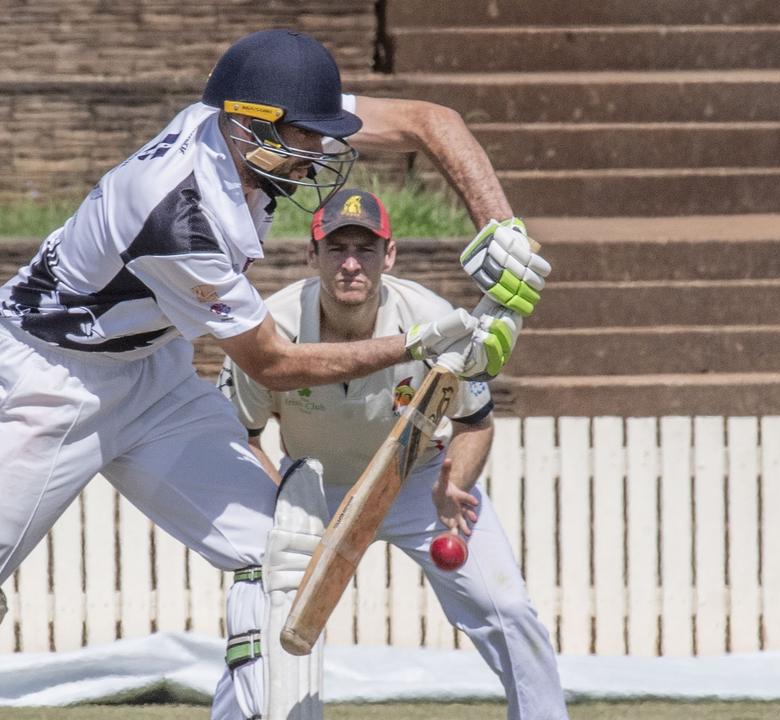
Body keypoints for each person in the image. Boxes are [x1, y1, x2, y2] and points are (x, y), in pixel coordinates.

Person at [0, 29, 550, 720]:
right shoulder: (178, 211)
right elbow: (273, 365)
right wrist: (418, 344)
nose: (322, 153)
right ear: (249, 127)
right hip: (43, 377)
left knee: (284, 561)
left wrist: (501, 225)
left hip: (150, 371)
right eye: (308, 140)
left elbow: (429, 121)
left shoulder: (253, 117)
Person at [221, 188, 567, 720]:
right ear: (312, 256)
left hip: (418, 485)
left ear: (390, 255)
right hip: (313, 493)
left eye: (366, 248)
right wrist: (281, 504)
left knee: (511, 612)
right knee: (272, 629)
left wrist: (454, 485)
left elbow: (474, 423)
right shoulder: (272, 330)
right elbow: (242, 437)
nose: (351, 264)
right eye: (336, 249)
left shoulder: (433, 317)